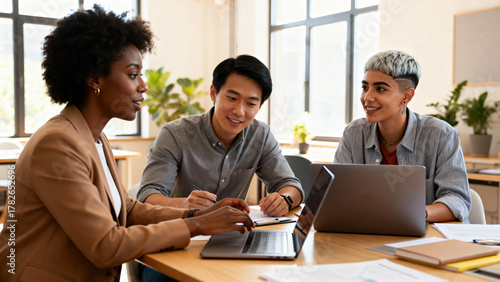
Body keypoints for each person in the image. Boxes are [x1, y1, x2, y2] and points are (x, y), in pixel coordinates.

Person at [0, 5, 254, 282]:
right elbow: (105, 245)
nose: (143, 86)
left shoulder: (94, 137)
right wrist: (197, 225)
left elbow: (127, 210)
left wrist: (198, 212)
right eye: (133, 75)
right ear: (94, 78)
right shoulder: (58, 143)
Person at [137, 55, 304, 218]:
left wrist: (284, 200)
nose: (239, 111)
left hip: (234, 233)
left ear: (259, 107)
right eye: (232, 98)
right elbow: (148, 195)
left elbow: (290, 185)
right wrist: (185, 204)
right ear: (213, 93)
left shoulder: (261, 135)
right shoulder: (175, 135)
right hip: (183, 230)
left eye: (251, 103)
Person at [334, 50, 471, 223]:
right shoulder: (354, 133)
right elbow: (336, 193)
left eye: (380, 89)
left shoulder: (441, 135)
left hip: (429, 240)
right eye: (365, 87)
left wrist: (410, 214)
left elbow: (456, 199)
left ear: (406, 96)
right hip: (369, 236)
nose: (367, 97)